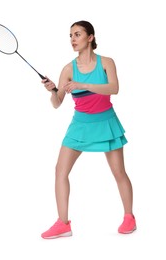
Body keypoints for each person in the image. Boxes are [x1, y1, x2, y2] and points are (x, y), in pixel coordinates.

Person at [41, 20, 136, 239]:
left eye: (77, 34)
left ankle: (129, 217)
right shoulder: (68, 69)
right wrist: (52, 90)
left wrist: (84, 85)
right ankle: (63, 223)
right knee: (60, 171)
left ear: (90, 37)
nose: (73, 40)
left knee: (118, 172)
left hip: (106, 123)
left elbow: (114, 88)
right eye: (70, 36)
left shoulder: (107, 62)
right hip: (80, 125)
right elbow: (57, 103)